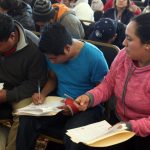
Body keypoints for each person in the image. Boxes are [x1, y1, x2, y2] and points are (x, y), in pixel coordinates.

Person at [16, 22, 109, 150]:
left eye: (53, 58)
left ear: (67, 48)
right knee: (27, 119)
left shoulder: (94, 57)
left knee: (73, 136)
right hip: (59, 102)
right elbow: (53, 78)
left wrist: (79, 105)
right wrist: (42, 94)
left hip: (88, 106)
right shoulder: (52, 52)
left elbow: (104, 91)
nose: (51, 61)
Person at [75, 13, 150, 150]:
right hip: (119, 123)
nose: (123, 43)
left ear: (147, 45)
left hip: (144, 135)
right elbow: (108, 84)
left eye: (129, 39)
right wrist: (90, 97)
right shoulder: (123, 55)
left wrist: (130, 126)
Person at [0, 13, 48, 150]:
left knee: (24, 114)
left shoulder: (34, 49)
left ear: (12, 36)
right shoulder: (3, 37)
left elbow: (35, 82)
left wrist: (8, 95)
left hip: (21, 90)